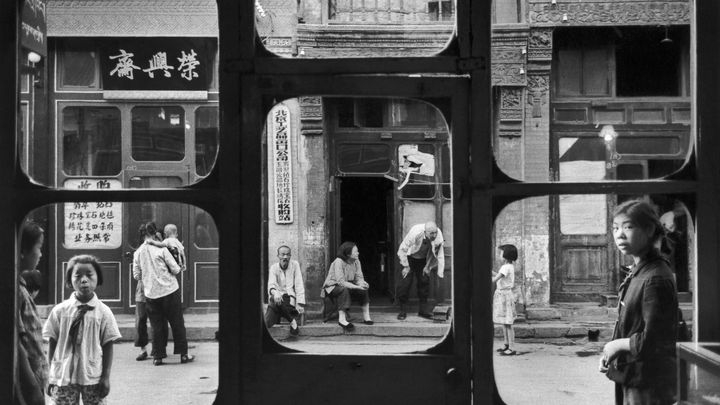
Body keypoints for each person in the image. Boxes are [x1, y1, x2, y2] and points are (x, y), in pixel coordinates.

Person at [599, 199, 679, 405]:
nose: (619, 235)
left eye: (628, 227)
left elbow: (654, 339)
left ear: (650, 229)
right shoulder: (640, 271)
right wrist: (612, 354)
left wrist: (616, 345)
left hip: (647, 382)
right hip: (634, 374)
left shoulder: (655, 278)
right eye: (615, 228)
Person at [43, 254, 121, 405]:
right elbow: (53, 342)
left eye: (89, 275)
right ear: (69, 280)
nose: (84, 280)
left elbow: (108, 345)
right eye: (78, 276)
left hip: (92, 374)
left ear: (98, 278)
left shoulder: (103, 312)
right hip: (63, 375)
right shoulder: (60, 311)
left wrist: (105, 377)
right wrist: (51, 375)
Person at [133, 221, 195, 366]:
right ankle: (183, 355)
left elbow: (136, 275)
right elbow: (176, 269)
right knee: (177, 323)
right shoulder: (162, 249)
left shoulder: (138, 253)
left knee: (157, 326)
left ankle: (158, 357)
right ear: (155, 233)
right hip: (170, 291)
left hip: (151, 294)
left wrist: (149, 276)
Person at [16, 221, 49, 405]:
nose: (41, 254)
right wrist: (33, 388)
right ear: (22, 251)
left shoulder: (20, 286)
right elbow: (17, 344)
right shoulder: (17, 291)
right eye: (39, 247)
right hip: (27, 378)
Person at [132, 224, 168, 361]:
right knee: (153, 319)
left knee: (143, 319)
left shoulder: (147, 250)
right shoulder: (143, 251)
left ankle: (154, 348)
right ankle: (149, 349)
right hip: (149, 288)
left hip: (148, 288)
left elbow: (136, 275)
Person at [396, 221, 445, 320]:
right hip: (409, 258)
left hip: (423, 260)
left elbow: (435, 253)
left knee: (424, 283)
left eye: (435, 232)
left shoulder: (438, 235)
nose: (434, 235)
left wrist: (428, 267)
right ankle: (402, 311)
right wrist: (406, 266)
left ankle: (423, 311)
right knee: (405, 283)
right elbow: (402, 249)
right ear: (425, 232)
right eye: (431, 233)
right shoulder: (416, 232)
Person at [322, 241, 373, 330]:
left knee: (363, 289)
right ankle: (342, 319)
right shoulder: (339, 262)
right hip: (332, 286)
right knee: (343, 289)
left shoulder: (356, 261)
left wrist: (363, 284)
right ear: (348, 254)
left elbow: (359, 277)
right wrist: (357, 286)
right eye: (355, 251)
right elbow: (341, 282)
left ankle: (367, 317)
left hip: (348, 285)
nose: (358, 253)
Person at [265, 245, 305, 335]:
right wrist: (276, 293)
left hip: (289, 300)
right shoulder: (274, 268)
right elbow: (271, 284)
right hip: (277, 299)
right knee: (273, 299)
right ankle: (292, 321)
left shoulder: (295, 265)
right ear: (278, 256)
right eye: (282, 254)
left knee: (273, 303)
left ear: (290, 256)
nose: (285, 257)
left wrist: (300, 303)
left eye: (288, 255)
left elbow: (299, 284)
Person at [492, 244, 518, 356]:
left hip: (504, 296)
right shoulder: (509, 266)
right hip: (505, 295)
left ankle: (511, 347)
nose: (500, 253)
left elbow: (495, 279)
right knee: (505, 322)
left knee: (508, 323)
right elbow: (498, 275)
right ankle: (506, 344)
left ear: (506, 254)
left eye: (502, 252)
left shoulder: (505, 267)